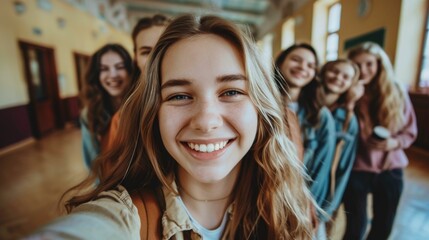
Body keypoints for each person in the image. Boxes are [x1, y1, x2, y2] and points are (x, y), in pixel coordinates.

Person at [28, 14, 314, 239]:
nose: (205, 121)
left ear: (261, 109)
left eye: (232, 92)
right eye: (179, 96)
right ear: (154, 113)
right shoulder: (128, 214)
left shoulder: (286, 203)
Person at [343, 42, 418, 240]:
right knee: (354, 228)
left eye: (369, 64)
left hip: (390, 170)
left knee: (383, 227)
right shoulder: (346, 90)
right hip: (356, 169)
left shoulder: (397, 91)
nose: (364, 70)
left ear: (380, 64)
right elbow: (338, 129)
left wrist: (395, 143)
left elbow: (409, 130)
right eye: (357, 65)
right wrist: (350, 101)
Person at [275, 43, 336, 231]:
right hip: (265, 197)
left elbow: (322, 167)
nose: (303, 67)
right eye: (296, 60)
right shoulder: (260, 103)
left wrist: (306, 207)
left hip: (301, 200)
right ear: (280, 62)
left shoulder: (320, 115)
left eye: (310, 65)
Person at [104, 14, 169, 150]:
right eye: (146, 52)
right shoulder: (123, 118)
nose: (154, 59)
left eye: (164, 48)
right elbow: (113, 167)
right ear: (136, 58)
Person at [317, 59, 362, 238]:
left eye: (346, 76)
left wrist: (329, 206)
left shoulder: (347, 121)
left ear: (351, 84)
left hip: (319, 196)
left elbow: (343, 169)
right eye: (334, 72)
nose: (338, 78)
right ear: (324, 72)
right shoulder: (303, 106)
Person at [80, 44, 134, 168]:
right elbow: (93, 164)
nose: (113, 75)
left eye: (120, 67)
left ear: (131, 71)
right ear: (96, 75)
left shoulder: (143, 106)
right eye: (104, 69)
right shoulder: (89, 114)